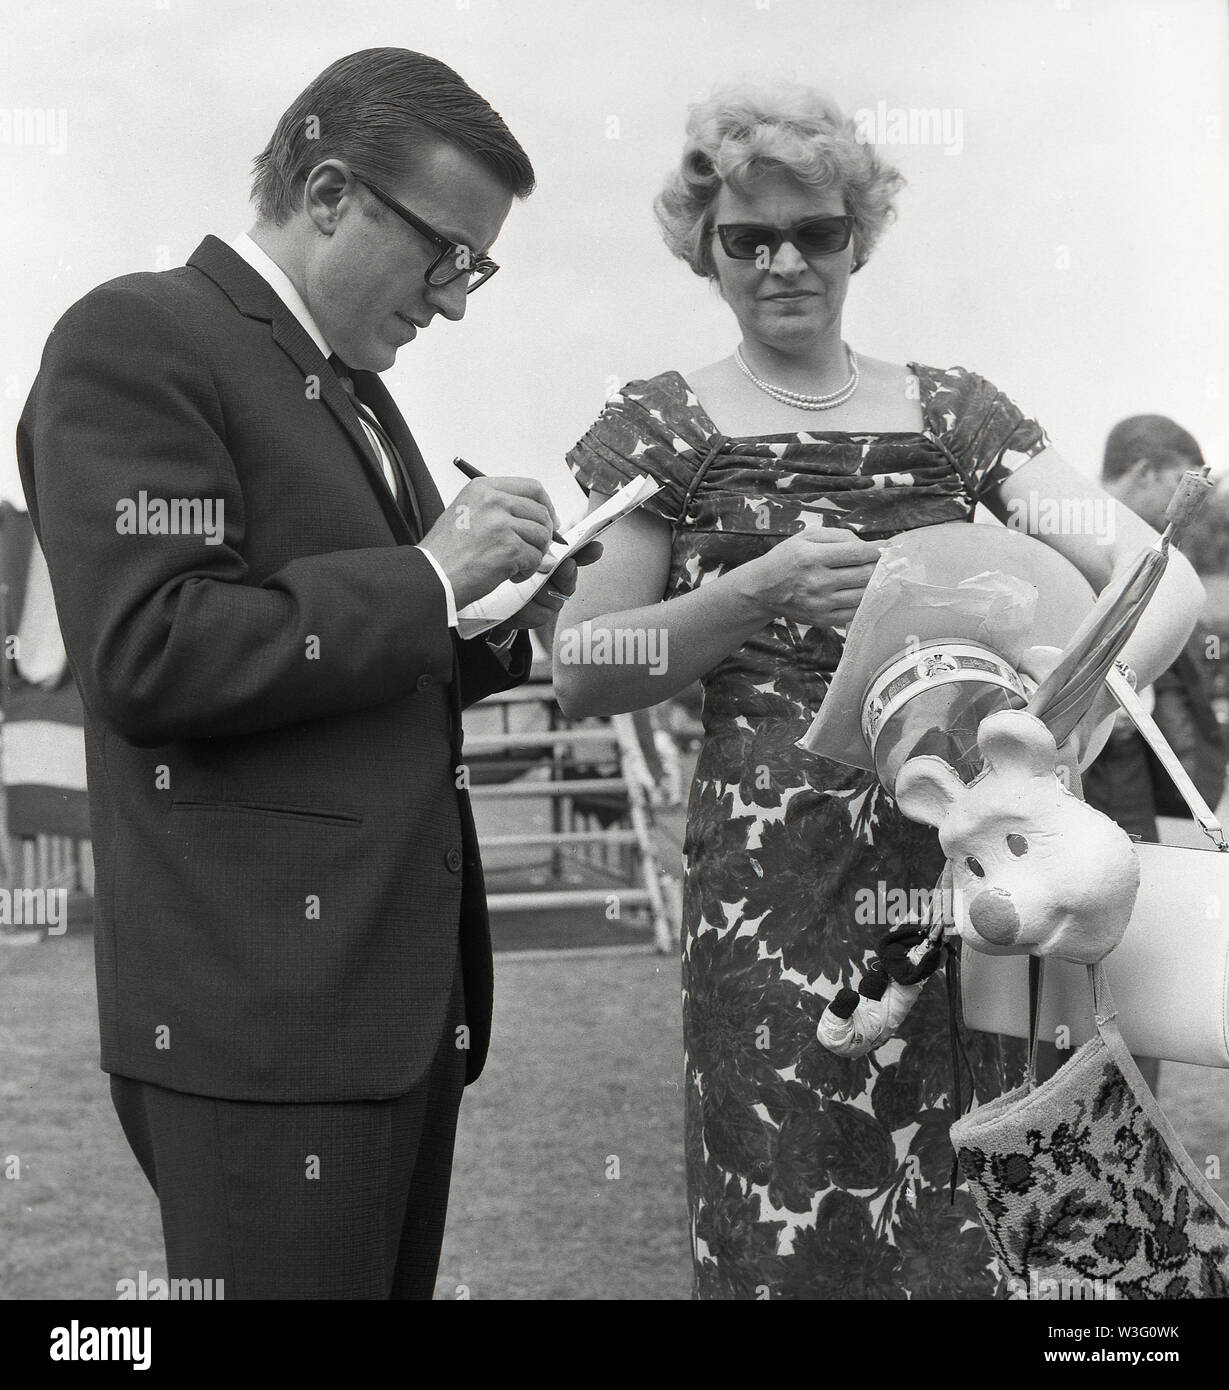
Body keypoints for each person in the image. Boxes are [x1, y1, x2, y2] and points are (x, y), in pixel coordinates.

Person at [553, 81, 1204, 1299]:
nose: (783, 262)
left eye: (817, 232)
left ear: (860, 233)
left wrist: (1057, 727)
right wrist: (752, 593)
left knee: (999, 1212)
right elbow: (587, 667)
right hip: (772, 898)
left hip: (973, 879)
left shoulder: (961, 418)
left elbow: (1146, 578)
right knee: (788, 1206)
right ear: (702, 246)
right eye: (746, 238)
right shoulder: (658, 429)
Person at [17, 48, 597, 1299]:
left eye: (476, 269)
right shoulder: (139, 335)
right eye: (447, 255)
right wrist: (431, 576)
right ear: (329, 191)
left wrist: (494, 620)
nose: (453, 302)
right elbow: (151, 646)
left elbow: (344, 665)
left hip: (389, 1007)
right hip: (264, 1021)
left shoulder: (355, 391)